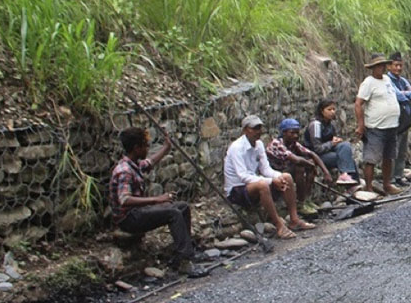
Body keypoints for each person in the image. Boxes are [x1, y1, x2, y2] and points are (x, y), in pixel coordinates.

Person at [109, 127, 206, 277]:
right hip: (128, 218)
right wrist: (157, 199)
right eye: (145, 145)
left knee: (183, 207)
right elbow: (124, 199)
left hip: (138, 213)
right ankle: (184, 262)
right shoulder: (124, 171)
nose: (148, 149)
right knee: (173, 213)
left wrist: (166, 148)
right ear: (137, 148)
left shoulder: (134, 164)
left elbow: (150, 162)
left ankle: (185, 252)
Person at [223, 114, 315, 240]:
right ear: (245, 130)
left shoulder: (259, 144)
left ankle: (294, 219)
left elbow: (265, 169)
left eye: (259, 128)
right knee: (263, 184)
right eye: (254, 128)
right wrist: (271, 181)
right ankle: (279, 226)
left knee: (286, 177)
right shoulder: (237, 148)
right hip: (237, 189)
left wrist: (278, 177)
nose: (258, 132)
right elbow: (243, 176)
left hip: (252, 182)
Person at [354, 52, 402, 196]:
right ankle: (368, 188)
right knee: (371, 158)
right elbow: (358, 103)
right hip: (376, 126)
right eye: (378, 66)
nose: (382, 68)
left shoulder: (387, 79)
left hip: (391, 125)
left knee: (389, 156)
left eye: (383, 65)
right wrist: (361, 125)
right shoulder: (368, 82)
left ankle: (387, 184)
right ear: (373, 68)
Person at [267, 117, 335, 216]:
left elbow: (312, 154)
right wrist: (311, 165)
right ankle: (300, 203)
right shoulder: (277, 144)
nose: (295, 136)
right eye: (292, 133)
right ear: (284, 132)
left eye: (297, 133)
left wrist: (326, 172)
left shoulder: (293, 143)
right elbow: (296, 159)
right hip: (275, 173)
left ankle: (306, 200)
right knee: (300, 167)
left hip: (285, 170)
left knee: (309, 162)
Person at [303, 98, 359, 185]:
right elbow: (317, 148)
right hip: (316, 156)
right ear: (322, 111)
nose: (332, 112)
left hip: (327, 151)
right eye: (329, 109)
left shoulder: (330, 124)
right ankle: (351, 185)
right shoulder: (316, 125)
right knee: (344, 159)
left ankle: (349, 179)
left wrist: (337, 141)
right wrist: (332, 143)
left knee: (345, 146)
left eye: (333, 109)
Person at [387, 52, 411, 186]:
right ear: (389, 66)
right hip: (395, 121)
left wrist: (407, 94)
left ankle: (399, 176)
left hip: (405, 121)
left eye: (400, 65)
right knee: (394, 150)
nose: (398, 68)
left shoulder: (402, 80)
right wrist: (408, 94)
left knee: (402, 150)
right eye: (396, 65)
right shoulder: (388, 80)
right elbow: (398, 96)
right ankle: (390, 179)